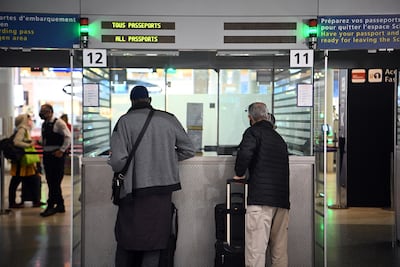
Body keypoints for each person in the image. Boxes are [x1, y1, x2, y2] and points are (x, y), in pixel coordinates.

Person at [108, 85, 195, 267]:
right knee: (155, 239)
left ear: (131, 101)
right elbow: (189, 150)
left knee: (128, 238)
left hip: (134, 191)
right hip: (163, 191)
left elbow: (117, 161)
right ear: (149, 100)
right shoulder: (168, 119)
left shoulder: (124, 122)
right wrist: (166, 160)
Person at [234, 102, 290, 267]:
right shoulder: (278, 137)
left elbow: (245, 154)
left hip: (260, 200)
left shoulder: (253, 132)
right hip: (282, 202)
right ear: (267, 116)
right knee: (279, 251)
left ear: (250, 118)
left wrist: (239, 173)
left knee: (256, 251)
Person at [38, 104, 71, 217]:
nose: (42, 113)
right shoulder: (44, 124)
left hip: (56, 157)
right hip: (47, 156)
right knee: (51, 181)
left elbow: (68, 137)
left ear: (51, 112)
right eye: (41, 111)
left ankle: (51, 206)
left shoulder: (59, 123)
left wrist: (61, 150)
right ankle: (60, 205)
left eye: (44, 111)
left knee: (54, 182)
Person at [8, 114, 42, 208]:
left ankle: (34, 200)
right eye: (29, 119)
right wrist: (29, 144)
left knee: (31, 178)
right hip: (22, 160)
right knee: (16, 180)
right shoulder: (22, 129)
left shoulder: (24, 129)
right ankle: (12, 202)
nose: (30, 120)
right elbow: (16, 142)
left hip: (25, 160)